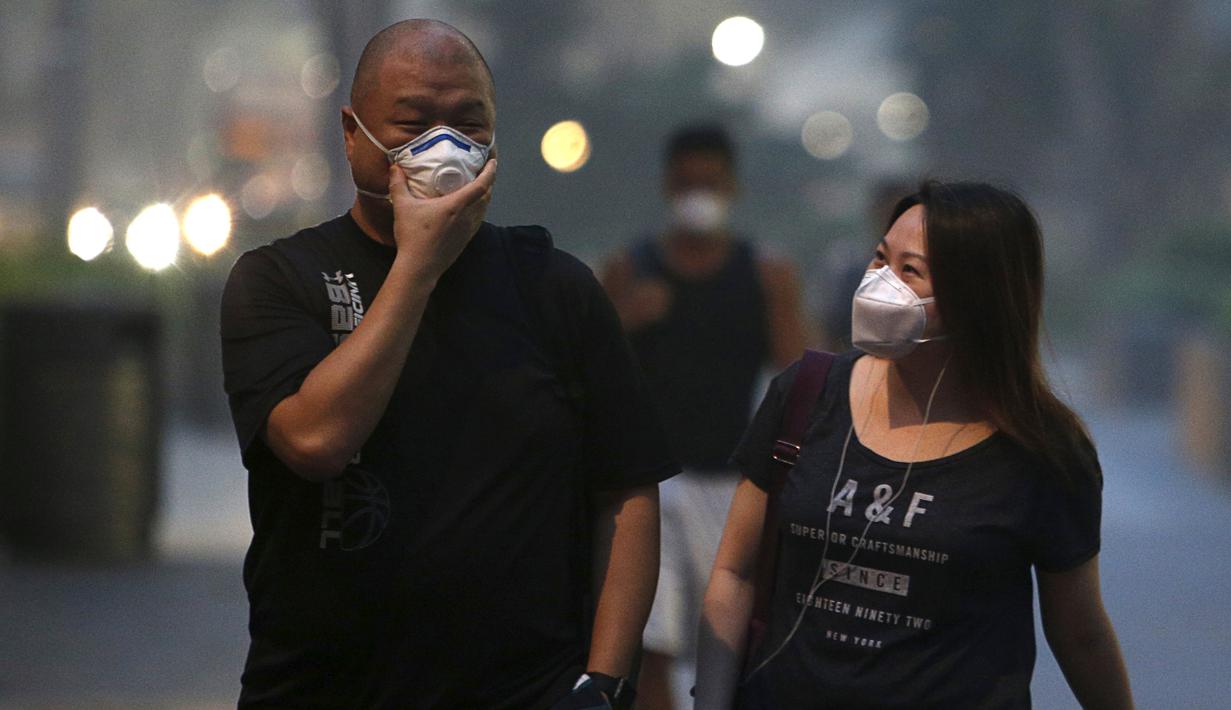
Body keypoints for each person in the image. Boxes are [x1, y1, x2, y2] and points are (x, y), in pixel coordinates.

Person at [220, 19, 677, 709]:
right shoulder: (280, 279)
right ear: (352, 134)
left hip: (523, 688)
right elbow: (316, 441)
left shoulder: (553, 289)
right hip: (325, 688)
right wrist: (417, 266)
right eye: (411, 123)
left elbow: (626, 492)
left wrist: (605, 683)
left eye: (469, 121)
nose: (443, 146)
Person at [694, 181, 1134, 708]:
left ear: (977, 299)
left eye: (910, 271)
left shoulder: (1041, 451)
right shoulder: (806, 395)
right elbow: (734, 573)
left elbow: (1080, 633)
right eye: (880, 258)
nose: (880, 283)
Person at [599, 124, 812, 709]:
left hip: (732, 483)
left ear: (732, 187)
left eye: (709, 183)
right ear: (669, 185)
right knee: (650, 645)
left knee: (735, 640)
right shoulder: (630, 267)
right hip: (652, 485)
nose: (698, 194)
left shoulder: (765, 274)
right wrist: (627, 317)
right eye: (688, 182)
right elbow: (586, 368)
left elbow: (802, 375)